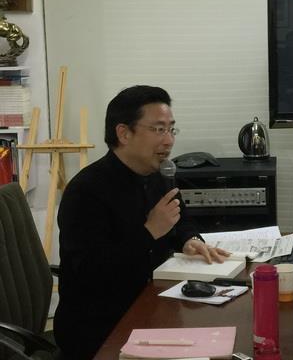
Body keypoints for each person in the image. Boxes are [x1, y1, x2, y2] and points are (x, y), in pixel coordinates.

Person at [53, 86, 229, 359]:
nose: (169, 141)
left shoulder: (157, 174)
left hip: (153, 302)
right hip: (102, 326)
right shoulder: (86, 191)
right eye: (158, 129)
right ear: (124, 133)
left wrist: (189, 239)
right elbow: (92, 272)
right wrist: (149, 232)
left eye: (171, 129)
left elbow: (181, 219)